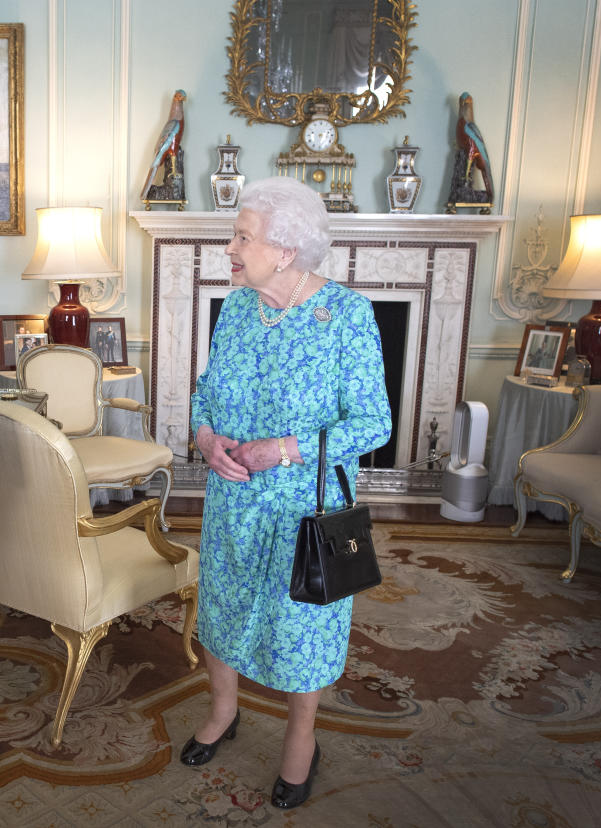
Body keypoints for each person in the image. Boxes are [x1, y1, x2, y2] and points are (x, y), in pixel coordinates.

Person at [184, 177, 391, 810]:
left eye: (242, 236)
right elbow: (206, 389)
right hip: (232, 497)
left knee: (302, 624)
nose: (230, 248)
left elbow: (374, 420)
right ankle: (223, 711)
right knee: (221, 606)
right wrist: (204, 437)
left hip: (308, 508)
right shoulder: (239, 306)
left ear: (288, 247)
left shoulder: (346, 315)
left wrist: (282, 448)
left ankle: (302, 736)